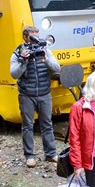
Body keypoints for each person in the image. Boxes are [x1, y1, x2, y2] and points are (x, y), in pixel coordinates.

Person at [9, 25, 61, 168]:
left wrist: (47, 60)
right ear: (26, 37)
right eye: (33, 36)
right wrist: (23, 62)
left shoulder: (44, 49)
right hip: (26, 95)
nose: (36, 38)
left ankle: (51, 154)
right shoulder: (18, 53)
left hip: (44, 93)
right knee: (27, 126)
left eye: (37, 35)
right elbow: (14, 74)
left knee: (47, 124)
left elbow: (57, 68)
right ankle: (30, 156)